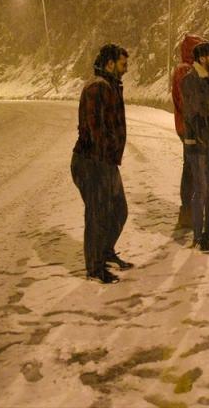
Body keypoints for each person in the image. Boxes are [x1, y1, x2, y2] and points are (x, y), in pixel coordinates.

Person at [71, 43, 133, 284]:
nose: (126, 69)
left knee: (118, 210)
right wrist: (105, 159)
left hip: (105, 162)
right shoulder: (98, 88)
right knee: (98, 215)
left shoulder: (110, 86)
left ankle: (104, 252)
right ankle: (95, 269)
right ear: (110, 64)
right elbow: (96, 129)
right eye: (123, 64)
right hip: (92, 162)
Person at [180, 40, 209, 253]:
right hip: (198, 143)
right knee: (201, 188)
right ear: (203, 58)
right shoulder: (190, 81)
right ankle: (198, 236)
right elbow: (195, 112)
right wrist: (206, 131)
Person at [172, 33, 206, 229]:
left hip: (187, 126)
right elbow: (189, 102)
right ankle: (188, 213)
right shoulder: (185, 71)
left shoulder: (185, 69)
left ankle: (189, 213)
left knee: (192, 169)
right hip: (190, 128)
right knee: (193, 170)